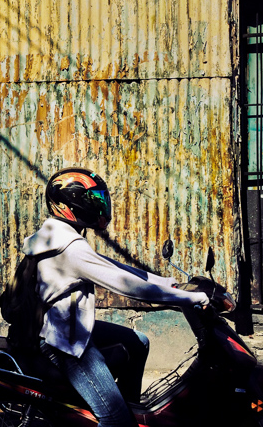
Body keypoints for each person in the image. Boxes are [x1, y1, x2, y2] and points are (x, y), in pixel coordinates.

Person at [22, 167, 209, 427]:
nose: (99, 206)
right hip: (65, 344)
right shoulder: (70, 249)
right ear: (71, 203)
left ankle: (128, 404)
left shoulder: (60, 236)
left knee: (138, 342)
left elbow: (116, 268)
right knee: (116, 420)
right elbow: (127, 285)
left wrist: (169, 283)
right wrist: (188, 298)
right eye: (93, 200)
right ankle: (119, 417)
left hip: (69, 329)